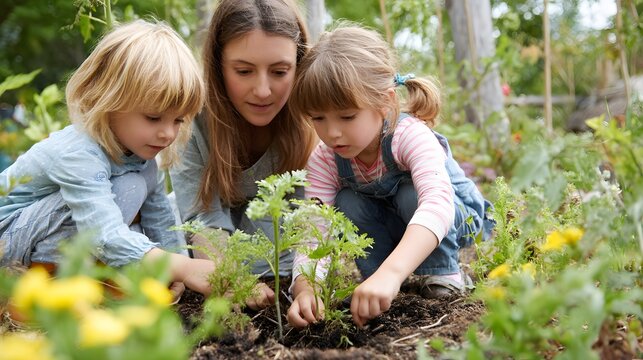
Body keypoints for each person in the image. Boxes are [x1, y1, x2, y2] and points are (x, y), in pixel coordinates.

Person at [288, 25, 494, 328]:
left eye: (347, 116)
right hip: (397, 223)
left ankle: (443, 272)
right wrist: (308, 288)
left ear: (384, 102)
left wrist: (393, 273)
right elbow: (313, 229)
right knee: (348, 201)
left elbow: (438, 204)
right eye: (318, 118)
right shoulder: (325, 159)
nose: (332, 132)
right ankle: (376, 283)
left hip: (453, 218)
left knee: (410, 193)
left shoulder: (409, 136)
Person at [0, 20, 215, 297]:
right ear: (109, 101)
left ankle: (94, 278)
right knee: (127, 190)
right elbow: (104, 233)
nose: (167, 133)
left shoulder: (143, 156)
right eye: (153, 117)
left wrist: (174, 274)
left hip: (44, 234)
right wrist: (183, 266)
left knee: (149, 201)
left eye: (178, 120)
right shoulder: (80, 152)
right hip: (8, 240)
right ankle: (41, 285)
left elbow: (159, 217)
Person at [169, 0, 320, 319]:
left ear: (299, 63)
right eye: (243, 71)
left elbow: (310, 216)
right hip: (214, 234)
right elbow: (202, 220)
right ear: (218, 65)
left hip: (277, 228)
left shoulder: (314, 116)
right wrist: (231, 279)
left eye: (280, 71)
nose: (263, 90)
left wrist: (306, 283)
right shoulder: (191, 117)